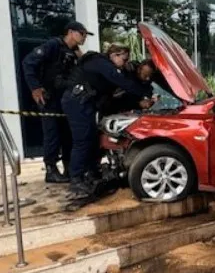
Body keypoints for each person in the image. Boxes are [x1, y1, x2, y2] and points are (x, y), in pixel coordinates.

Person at [62, 45, 156, 200]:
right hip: (77, 101)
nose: (125, 64)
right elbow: (119, 80)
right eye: (124, 59)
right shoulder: (100, 62)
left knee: (91, 138)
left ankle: (91, 173)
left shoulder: (108, 65)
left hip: (85, 103)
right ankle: (76, 180)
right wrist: (143, 94)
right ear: (114, 55)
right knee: (83, 140)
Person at [22, 21, 90, 183]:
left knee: (68, 134)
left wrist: (81, 58)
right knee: (52, 134)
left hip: (66, 99)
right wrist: (35, 88)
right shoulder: (54, 45)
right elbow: (28, 62)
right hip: (49, 97)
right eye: (82, 34)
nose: (84, 38)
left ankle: (68, 168)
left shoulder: (74, 52)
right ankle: (50, 170)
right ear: (71, 32)